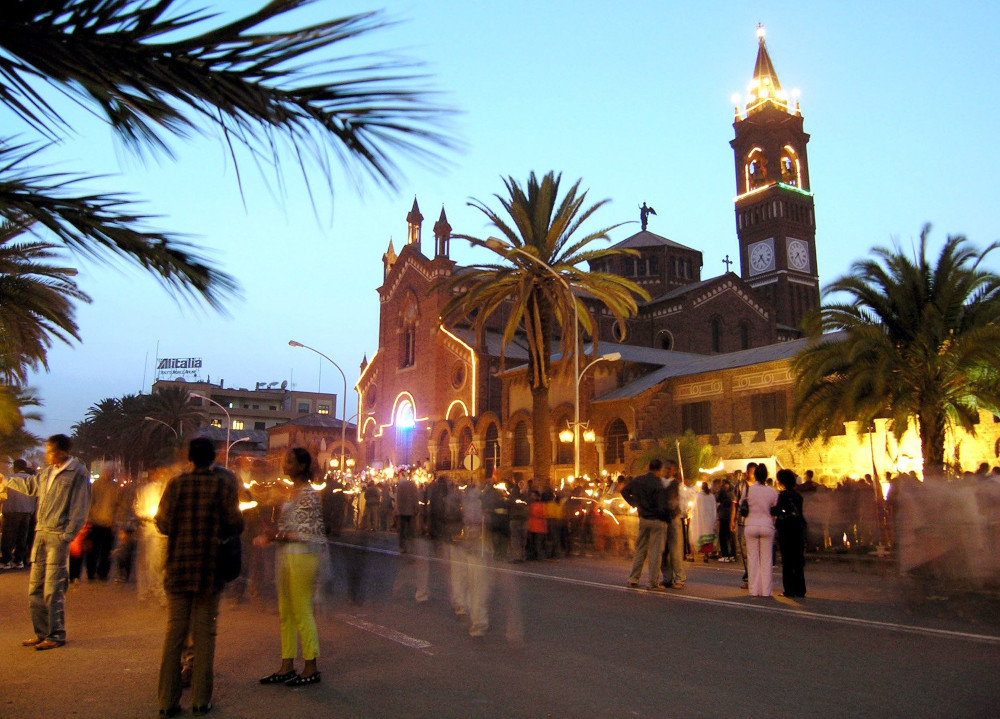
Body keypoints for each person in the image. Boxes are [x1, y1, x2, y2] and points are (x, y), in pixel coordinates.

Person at [155, 438, 244, 717]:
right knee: (205, 634)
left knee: (175, 634)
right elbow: (235, 522)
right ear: (214, 457)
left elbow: (163, 522)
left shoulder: (176, 484)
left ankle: (168, 701)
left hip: (179, 566)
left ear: (190, 458)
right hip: (209, 568)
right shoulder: (224, 483)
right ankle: (200, 701)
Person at [3, 434, 90, 650]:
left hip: (57, 536)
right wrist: (6, 480)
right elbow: (31, 486)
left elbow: (80, 509)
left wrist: (66, 536)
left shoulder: (77, 473)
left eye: (49, 450)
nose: (46, 454)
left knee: (53, 588)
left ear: (62, 451)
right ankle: (40, 632)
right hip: (40, 533)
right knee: (35, 588)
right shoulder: (47, 473)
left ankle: (56, 634)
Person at [257, 448, 327, 687]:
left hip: (304, 556)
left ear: (302, 466)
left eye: (290, 461)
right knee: (285, 612)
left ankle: (311, 665)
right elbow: (288, 527)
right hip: (286, 555)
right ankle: (286, 664)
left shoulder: (308, 494)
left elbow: (306, 532)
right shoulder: (290, 492)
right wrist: (273, 534)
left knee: (301, 610)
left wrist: (277, 535)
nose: (285, 464)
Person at [623, 458, 669, 591]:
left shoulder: (638, 480)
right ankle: (652, 583)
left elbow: (624, 491)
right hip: (656, 520)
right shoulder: (658, 484)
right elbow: (662, 505)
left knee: (640, 549)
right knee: (655, 552)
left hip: (643, 518)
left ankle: (633, 579)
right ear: (659, 470)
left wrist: (634, 503)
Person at [744, 463, 778, 598]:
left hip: (751, 524)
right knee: (767, 559)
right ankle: (766, 591)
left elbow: (743, 504)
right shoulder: (772, 491)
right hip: (767, 525)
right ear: (767, 476)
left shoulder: (749, 490)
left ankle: (753, 589)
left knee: (752, 558)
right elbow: (775, 508)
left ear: (755, 476)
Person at [774, 469, 807, 597]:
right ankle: (800, 588)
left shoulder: (783, 495)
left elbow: (778, 511)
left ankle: (789, 589)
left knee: (787, 560)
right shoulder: (798, 496)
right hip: (798, 529)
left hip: (786, 530)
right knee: (798, 560)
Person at [1, 459, 37, 570]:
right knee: (22, 537)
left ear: (15, 467)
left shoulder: (8, 478)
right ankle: (19, 560)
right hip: (27, 513)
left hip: (12, 511)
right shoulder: (32, 480)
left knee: (8, 538)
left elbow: (2, 493)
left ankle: (6, 561)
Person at [85, 471, 119, 581]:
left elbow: (117, 505)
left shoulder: (112, 487)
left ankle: (98, 572)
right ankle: (96, 572)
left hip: (104, 523)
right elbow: (90, 501)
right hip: (98, 522)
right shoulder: (98, 485)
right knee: (98, 550)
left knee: (102, 550)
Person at [658, 460, 685, 589]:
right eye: (665, 468)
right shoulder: (658, 483)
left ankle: (679, 578)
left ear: (674, 471)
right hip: (662, 519)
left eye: (669, 469)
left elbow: (684, 501)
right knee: (663, 551)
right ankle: (667, 578)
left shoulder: (677, 485)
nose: (667, 471)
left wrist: (680, 512)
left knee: (675, 550)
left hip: (673, 519)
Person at [395, 471, 419, 554]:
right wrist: (416, 508)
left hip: (402, 511)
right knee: (411, 529)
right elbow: (415, 497)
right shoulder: (413, 485)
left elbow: (397, 498)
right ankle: (412, 546)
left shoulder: (400, 486)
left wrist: (398, 509)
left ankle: (403, 546)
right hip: (411, 511)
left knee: (402, 529)